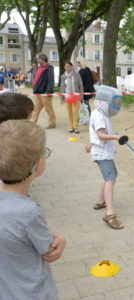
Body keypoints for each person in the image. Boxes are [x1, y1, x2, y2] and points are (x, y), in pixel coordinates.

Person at [0, 119, 66, 299]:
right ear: (36, 164)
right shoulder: (29, 212)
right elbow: (47, 249)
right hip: (28, 292)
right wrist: (60, 241)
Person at [85, 85, 124, 229]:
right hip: (101, 153)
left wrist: (91, 144)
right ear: (104, 102)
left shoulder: (101, 114)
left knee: (111, 176)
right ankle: (110, 214)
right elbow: (100, 134)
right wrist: (115, 137)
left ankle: (101, 201)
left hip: (102, 151)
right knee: (110, 178)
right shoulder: (99, 115)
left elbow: (96, 134)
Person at [30, 53, 56, 129]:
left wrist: (48, 91)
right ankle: (33, 122)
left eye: (38, 59)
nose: (37, 60)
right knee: (35, 108)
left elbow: (51, 81)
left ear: (43, 59)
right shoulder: (38, 68)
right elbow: (36, 78)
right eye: (37, 59)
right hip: (38, 92)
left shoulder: (49, 68)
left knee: (48, 109)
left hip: (45, 93)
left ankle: (52, 123)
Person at [60, 62, 84, 134]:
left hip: (76, 96)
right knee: (69, 112)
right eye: (66, 66)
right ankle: (71, 127)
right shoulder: (63, 76)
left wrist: (81, 96)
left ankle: (76, 127)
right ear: (64, 67)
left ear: (71, 66)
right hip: (68, 97)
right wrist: (62, 98)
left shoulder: (76, 75)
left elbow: (81, 85)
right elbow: (62, 87)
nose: (67, 68)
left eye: (69, 66)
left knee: (75, 112)